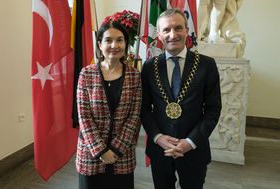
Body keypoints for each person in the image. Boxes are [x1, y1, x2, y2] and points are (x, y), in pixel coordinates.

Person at [141, 8, 222, 189]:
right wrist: (157, 137)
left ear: (187, 30)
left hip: (194, 149)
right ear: (160, 35)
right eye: (166, 30)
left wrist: (190, 141)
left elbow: (213, 109)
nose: (173, 34)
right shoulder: (149, 67)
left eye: (178, 28)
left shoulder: (206, 65)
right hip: (160, 149)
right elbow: (144, 108)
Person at [76, 21, 142, 189]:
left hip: (122, 156)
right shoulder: (86, 73)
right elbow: (84, 117)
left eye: (120, 40)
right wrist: (101, 151)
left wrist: (116, 149)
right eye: (108, 40)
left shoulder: (135, 76)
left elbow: (134, 117)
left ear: (126, 44)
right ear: (100, 44)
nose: (114, 45)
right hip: (91, 155)